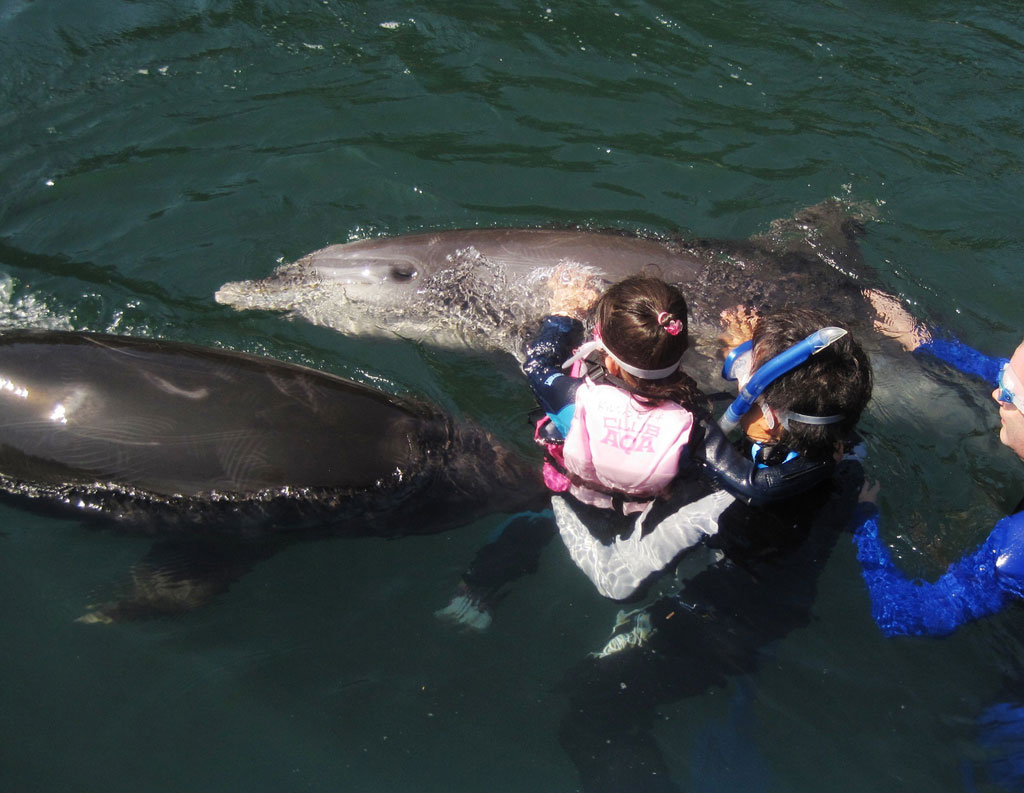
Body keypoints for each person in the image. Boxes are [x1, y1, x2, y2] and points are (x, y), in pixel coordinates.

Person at [437, 272, 872, 627]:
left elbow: (538, 363)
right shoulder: (694, 425)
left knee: (569, 533)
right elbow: (750, 463)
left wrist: (562, 312)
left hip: (584, 504)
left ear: (606, 356)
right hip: (655, 499)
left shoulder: (576, 400)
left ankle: (480, 590)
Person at [852, 290, 1024, 636]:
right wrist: (919, 341)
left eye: (1008, 394)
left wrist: (862, 518)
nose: (996, 395)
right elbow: (992, 370)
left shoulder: (1015, 555)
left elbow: (908, 614)